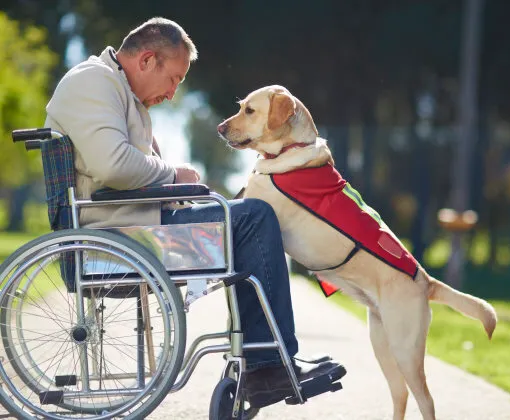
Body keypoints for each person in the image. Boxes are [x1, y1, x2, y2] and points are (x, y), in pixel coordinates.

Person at [44, 17, 345, 408]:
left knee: (241, 218)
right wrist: (175, 174)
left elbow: (122, 170)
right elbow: (113, 165)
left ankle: (264, 361)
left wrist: (182, 189)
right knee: (253, 218)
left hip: (131, 229)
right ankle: (267, 364)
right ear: (148, 59)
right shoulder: (94, 82)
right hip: (118, 239)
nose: (172, 94)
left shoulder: (113, 88)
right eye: (174, 79)